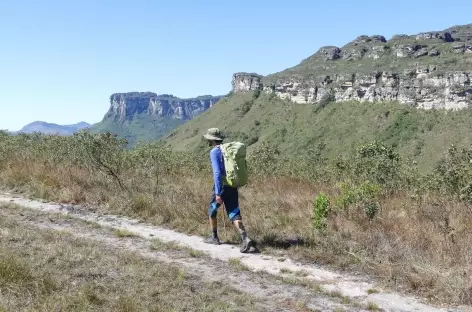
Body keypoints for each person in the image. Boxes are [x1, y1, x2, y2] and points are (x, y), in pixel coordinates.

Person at [203, 128, 255, 253]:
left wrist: (217, 193)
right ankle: (245, 238)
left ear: (211, 140)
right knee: (233, 213)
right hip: (232, 185)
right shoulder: (227, 150)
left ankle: (214, 237)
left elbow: (217, 173)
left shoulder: (214, 151)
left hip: (221, 187)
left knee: (212, 210)